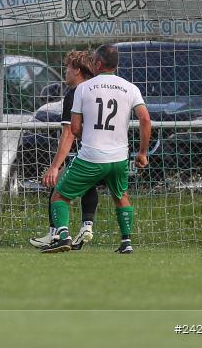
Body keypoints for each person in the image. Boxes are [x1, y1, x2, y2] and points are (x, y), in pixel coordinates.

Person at [41, 44, 151, 254]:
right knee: (121, 196)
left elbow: (73, 128)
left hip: (91, 156)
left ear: (98, 64)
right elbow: (145, 119)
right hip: (119, 157)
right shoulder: (130, 88)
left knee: (59, 195)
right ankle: (126, 242)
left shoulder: (83, 88)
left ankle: (63, 236)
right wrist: (142, 152)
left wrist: (89, 135)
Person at [30, 50, 99, 250]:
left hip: (85, 153)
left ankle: (58, 234)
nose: (65, 72)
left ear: (77, 70)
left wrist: (54, 166)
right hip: (112, 153)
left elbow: (69, 133)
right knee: (94, 186)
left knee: (56, 187)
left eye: (68, 67)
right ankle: (88, 226)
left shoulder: (75, 94)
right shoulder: (97, 89)